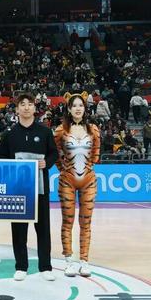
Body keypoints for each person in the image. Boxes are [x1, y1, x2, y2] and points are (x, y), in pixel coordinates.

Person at [0, 93, 58, 282]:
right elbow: (0, 158)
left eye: (29, 104)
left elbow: (54, 153)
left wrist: (46, 163)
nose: (26, 107)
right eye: (22, 104)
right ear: (17, 109)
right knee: (18, 229)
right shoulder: (9, 134)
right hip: (18, 190)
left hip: (40, 189)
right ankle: (21, 266)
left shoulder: (45, 132)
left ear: (34, 108)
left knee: (43, 228)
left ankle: (45, 266)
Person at [53, 93, 101, 278]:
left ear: (85, 108)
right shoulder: (60, 130)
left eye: (81, 105)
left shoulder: (93, 129)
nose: (78, 108)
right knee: (68, 221)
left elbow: (96, 154)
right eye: (74, 106)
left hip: (89, 180)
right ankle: (69, 261)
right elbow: (55, 153)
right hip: (67, 180)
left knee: (86, 222)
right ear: (69, 109)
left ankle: (84, 261)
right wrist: (63, 169)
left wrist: (89, 167)